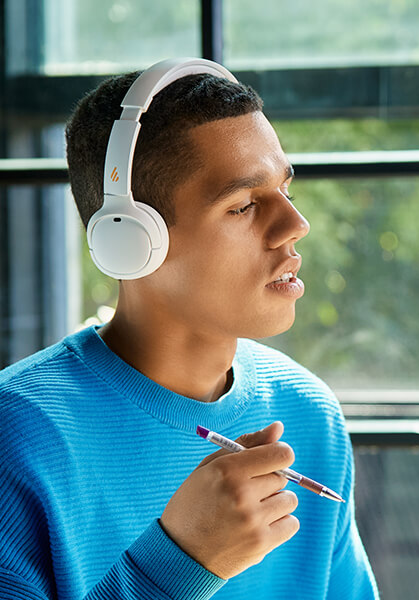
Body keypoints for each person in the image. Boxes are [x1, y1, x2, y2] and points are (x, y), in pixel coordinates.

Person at [0, 59, 379, 599]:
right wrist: (181, 563)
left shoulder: (307, 411)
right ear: (129, 241)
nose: (296, 225)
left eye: (285, 191)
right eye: (244, 205)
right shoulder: (18, 437)